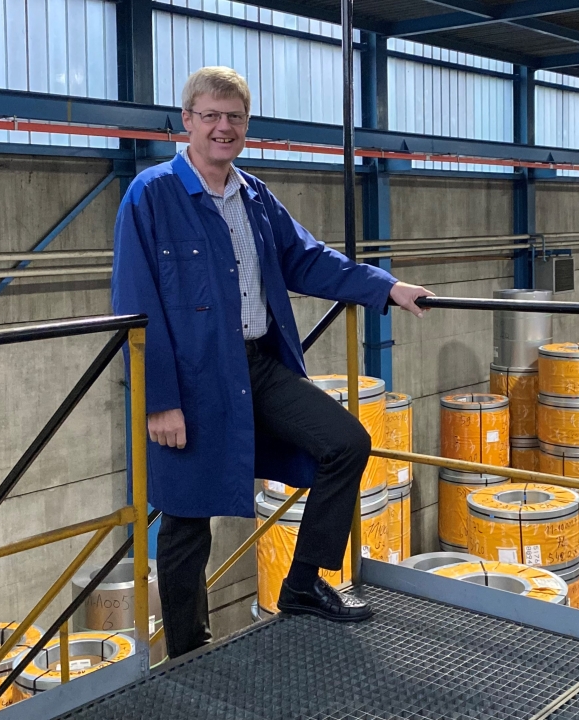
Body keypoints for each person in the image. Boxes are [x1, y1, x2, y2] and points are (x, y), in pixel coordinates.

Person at [112, 66, 433, 659]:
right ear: (187, 121)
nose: (223, 127)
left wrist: (386, 287)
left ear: (246, 125)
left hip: (255, 366)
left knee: (345, 442)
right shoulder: (151, 195)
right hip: (191, 378)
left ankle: (303, 583)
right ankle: (188, 654)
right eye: (211, 115)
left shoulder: (254, 197)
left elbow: (307, 259)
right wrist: (159, 399)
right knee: (186, 517)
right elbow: (135, 303)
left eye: (234, 117)